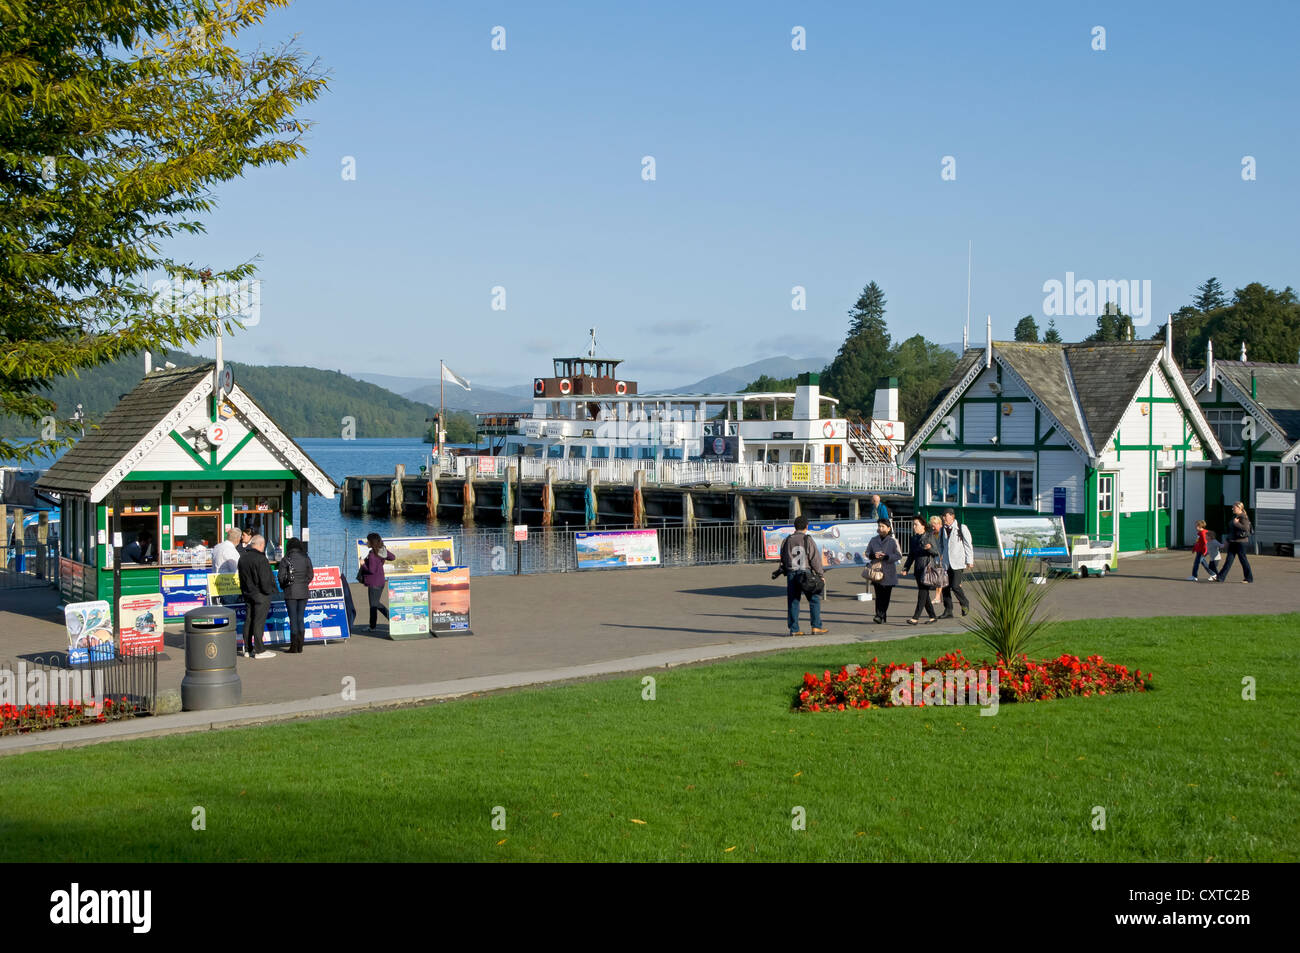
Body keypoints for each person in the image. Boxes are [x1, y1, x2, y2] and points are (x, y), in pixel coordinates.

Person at [776, 515, 827, 637]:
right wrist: (820, 574)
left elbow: (783, 557)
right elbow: (814, 558)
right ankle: (816, 626)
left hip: (792, 573)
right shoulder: (807, 539)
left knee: (793, 601)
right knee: (814, 599)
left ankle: (794, 629)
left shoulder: (787, 540)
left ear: (795, 527)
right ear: (806, 526)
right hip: (805, 573)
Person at [237, 534, 277, 659]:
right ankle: (259, 650)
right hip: (260, 595)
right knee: (259, 622)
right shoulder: (261, 559)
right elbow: (265, 580)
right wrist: (268, 591)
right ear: (260, 545)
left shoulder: (242, 558)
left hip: (248, 593)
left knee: (248, 620)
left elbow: (241, 578)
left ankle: (248, 649)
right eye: (263, 545)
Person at [900, 516, 939, 624]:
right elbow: (911, 555)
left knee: (922, 592)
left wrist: (929, 548)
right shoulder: (914, 539)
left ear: (923, 526)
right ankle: (932, 616)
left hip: (927, 568)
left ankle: (915, 617)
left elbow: (936, 552)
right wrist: (906, 568)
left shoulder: (929, 536)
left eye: (916, 524)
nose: (914, 527)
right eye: (913, 524)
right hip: (918, 569)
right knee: (925, 594)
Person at [278, 538, 314, 653]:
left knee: (293, 619)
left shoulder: (285, 559)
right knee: (300, 618)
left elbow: (281, 577)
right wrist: (304, 583)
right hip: (303, 591)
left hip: (290, 592)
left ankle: (294, 647)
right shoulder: (306, 558)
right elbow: (311, 574)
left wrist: (285, 586)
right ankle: (300, 646)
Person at [863, 519, 902, 623]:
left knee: (886, 595)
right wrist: (873, 555)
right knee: (878, 595)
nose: (880, 528)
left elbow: (899, 555)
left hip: (889, 571)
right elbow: (867, 553)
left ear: (888, 528)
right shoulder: (873, 540)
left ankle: (881, 615)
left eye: (883, 526)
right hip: (876, 570)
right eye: (879, 526)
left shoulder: (893, 541)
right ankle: (879, 615)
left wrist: (887, 557)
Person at [938, 508, 974, 619]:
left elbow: (968, 545)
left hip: (958, 562)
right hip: (946, 563)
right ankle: (948, 610)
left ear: (952, 516)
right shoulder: (942, 530)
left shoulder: (962, 528)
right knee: (945, 587)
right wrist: (938, 559)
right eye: (943, 516)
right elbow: (940, 546)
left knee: (955, 586)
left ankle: (965, 604)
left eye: (946, 516)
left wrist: (969, 561)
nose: (944, 518)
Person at [359, 532, 396, 631]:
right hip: (380, 581)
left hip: (374, 582)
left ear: (372, 542)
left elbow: (371, 570)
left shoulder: (372, 554)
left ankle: (374, 626)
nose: (367, 542)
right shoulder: (381, 551)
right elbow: (393, 557)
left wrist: (363, 564)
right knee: (375, 604)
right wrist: (384, 551)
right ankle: (377, 624)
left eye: (368, 540)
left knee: (374, 605)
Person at [1217, 502, 1255, 584]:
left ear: (1239, 508)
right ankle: (1220, 577)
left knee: (1243, 560)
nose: (1232, 509)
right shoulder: (1236, 516)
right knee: (1229, 560)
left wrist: (1237, 524)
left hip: (1241, 542)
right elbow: (1232, 531)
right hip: (1233, 541)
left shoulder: (1243, 517)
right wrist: (1227, 540)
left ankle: (1249, 578)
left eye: (1234, 507)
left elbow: (1246, 528)